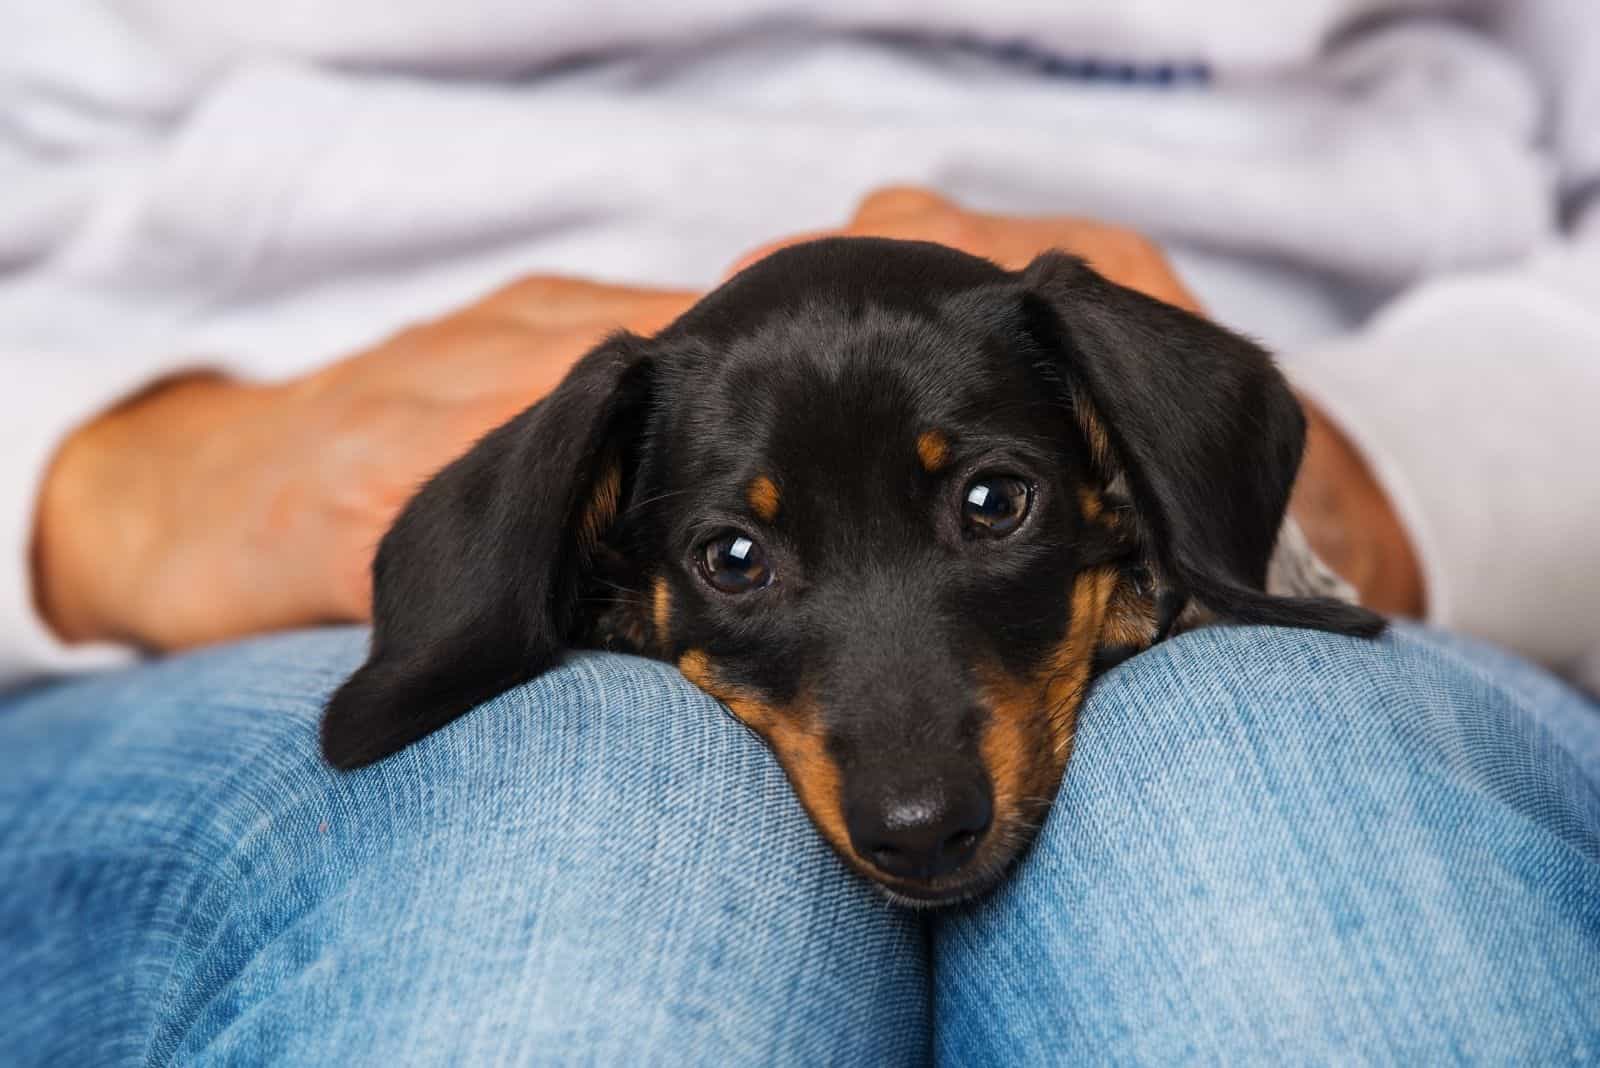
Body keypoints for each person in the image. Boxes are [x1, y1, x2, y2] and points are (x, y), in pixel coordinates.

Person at [3, 2, 1598, 1062]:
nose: (909, 795)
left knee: (1258, 803)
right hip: (215, 547)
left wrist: (1387, 485)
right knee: (580, 836)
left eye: (990, 507)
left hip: (1309, 462)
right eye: (739, 563)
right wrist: (100, 480)